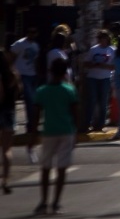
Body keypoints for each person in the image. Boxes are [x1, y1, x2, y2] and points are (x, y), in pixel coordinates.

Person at [34, 58, 78, 216]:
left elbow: (36, 116)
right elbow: (74, 113)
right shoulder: (69, 90)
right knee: (61, 169)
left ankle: (44, 201)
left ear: (50, 71)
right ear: (65, 72)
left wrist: (33, 135)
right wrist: (76, 133)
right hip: (66, 131)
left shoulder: (42, 91)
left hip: (48, 131)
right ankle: (56, 202)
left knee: (45, 168)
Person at [10, 27, 40, 164]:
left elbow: (36, 60)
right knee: (27, 100)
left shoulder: (35, 45)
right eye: (31, 32)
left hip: (32, 74)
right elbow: (11, 57)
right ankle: (18, 124)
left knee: (32, 101)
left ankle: (30, 125)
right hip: (22, 75)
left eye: (34, 32)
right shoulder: (19, 44)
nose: (32, 34)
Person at [83, 30, 115, 133]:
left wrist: (104, 65)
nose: (102, 40)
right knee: (91, 101)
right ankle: (88, 123)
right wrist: (93, 64)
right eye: (100, 38)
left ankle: (101, 124)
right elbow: (86, 63)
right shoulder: (93, 50)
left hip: (105, 78)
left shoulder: (112, 50)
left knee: (103, 102)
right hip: (93, 77)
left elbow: (114, 66)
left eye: (104, 38)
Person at [1, 49, 21, 194]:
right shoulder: (13, 74)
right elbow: (18, 91)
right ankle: (5, 180)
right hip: (9, 110)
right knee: (7, 149)